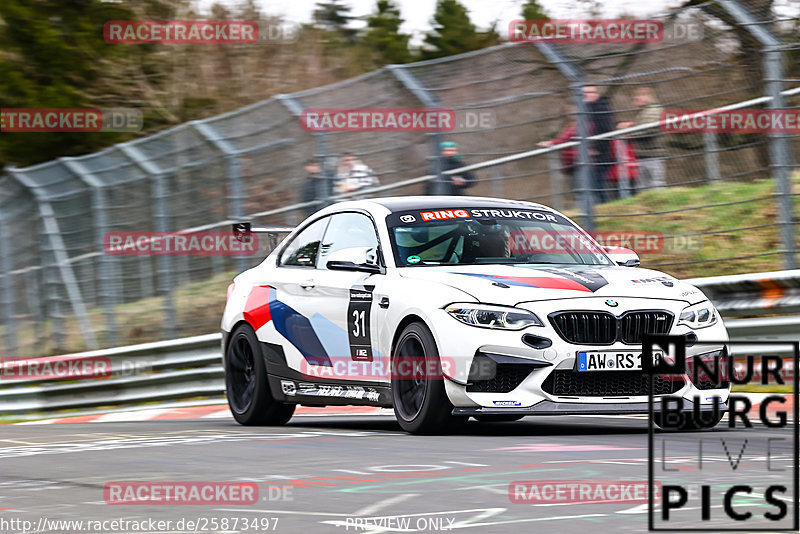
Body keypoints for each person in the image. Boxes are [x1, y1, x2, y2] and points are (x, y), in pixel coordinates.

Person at [617, 86, 666, 191]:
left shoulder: (653, 110)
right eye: (636, 96)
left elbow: (649, 129)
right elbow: (644, 125)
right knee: (644, 186)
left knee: (655, 185)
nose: (636, 98)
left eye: (640, 96)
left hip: (653, 154)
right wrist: (631, 126)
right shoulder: (644, 111)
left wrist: (630, 133)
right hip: (644, 154)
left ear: (649, 97)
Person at [582, 86, 615, 203]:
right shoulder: (587, 109)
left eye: (587, 93)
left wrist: (596, 148)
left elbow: (604, 130)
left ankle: (601, 207)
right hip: (595, 154)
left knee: (598, 184)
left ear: (595, 94)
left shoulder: (600, 108)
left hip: (601, 153)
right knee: (595, 185)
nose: (584, 96)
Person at [538, 104, 578, 189]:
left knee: (580, 189)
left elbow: (565, 139)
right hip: (570, 164)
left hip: (577, 162)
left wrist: (551, 143)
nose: (570, 115)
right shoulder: (569, 126)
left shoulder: (578, 126)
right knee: (577, 189)